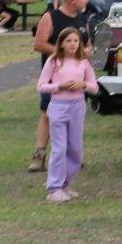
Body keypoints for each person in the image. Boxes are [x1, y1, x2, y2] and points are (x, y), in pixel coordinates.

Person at [28, 0, 91, 172]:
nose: (86, 0)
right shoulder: (51, 17)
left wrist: (87, 51)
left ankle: (72, 157)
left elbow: (88, 45)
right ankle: (39, 156)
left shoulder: (82, 19)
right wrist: (63, 52)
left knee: (74, 117)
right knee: (47, 114)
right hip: (54, 78)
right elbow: (38, 44)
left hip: (77, 80)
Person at [36, 26, 96, 203]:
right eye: (68, 41)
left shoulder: (83, 62)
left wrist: (82, 84)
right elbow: (41, 86)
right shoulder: (54, 61)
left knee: (75, 149)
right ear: (61, 43)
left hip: (77, 107)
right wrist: (59, 87)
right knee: (59, 148)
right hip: (58, 106)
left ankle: (65, 184)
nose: (72, 44)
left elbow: (94, 86)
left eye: (76, 41)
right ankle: (54, 188)